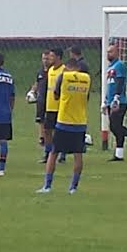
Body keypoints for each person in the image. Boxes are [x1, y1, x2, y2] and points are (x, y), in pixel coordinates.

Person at [37, 58, 90, 194]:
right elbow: (87, 97)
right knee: (78, 154)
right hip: (80, 122)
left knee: (54, 152)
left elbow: (55, 95)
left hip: (64, 121)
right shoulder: (86, 79)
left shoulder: (64, 76)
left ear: (68, 67)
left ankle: (47, 186)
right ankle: (73, 187)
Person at [42, 48, 66, 164]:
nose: (49, 58)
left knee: (60, 131)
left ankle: (62, 153)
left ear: (58, 57)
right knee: (47, 130)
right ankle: (48, 152)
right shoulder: (50, 69)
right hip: (50, 105)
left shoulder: (64, 70)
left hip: (60, 106)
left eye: (52, 56)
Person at [29, 51, 51, 159]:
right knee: (40, 120)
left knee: (50, 125)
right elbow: (37, 82)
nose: (45, 61)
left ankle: (54, 149)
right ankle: (42, 138)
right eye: (43, 59)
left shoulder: (53, 71)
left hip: (51, 101)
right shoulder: (41, 71)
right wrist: (32, 91)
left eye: (47, 59)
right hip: (41, 100)